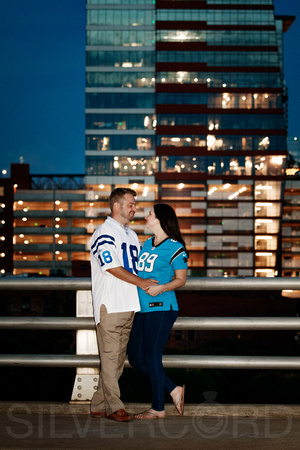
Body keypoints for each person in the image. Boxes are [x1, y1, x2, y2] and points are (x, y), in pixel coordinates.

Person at [89, 187, 157, 422]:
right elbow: (110, 266)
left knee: (116, 360)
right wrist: (141, 282)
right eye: (130, 204)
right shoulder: (104, 231)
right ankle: (114, 407)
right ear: (116, 206)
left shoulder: (130, 234)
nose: (134, 209)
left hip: (129, 304)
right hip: (110, 304)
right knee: (110, 357)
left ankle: (98, 404)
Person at [128, 203, 188, 419]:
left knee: (152, 356)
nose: (146, 215)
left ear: (161, 218)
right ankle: (173, 389)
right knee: (135, 357)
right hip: (141, 309)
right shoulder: (147, 243)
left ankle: (158, 408)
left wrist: (161, 287)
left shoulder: (175, 247)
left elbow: (181, 280)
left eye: (150, 213)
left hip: (162, 308)